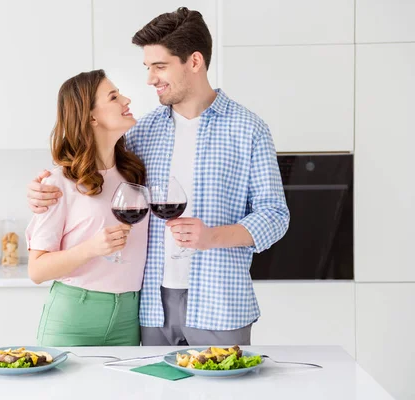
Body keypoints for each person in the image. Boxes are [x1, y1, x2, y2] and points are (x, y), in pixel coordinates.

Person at [27, 8, 289, 346]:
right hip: (149, 308)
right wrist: (40, 191)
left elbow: (275, 216)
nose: (150, 79)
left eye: (160, 66)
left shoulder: (248, 130)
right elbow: (91, 166)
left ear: (194, 62)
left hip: (220, 301)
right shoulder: (141, 133)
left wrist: (211, 237)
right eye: (147, 68)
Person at [26, 69, 149, 346]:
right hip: (74, 316)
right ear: (91, 116)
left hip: (129, 317)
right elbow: (37, 271)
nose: (126, 100)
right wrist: (92, 248)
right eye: (114, 97)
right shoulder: (60, 182)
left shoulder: (134, 174)